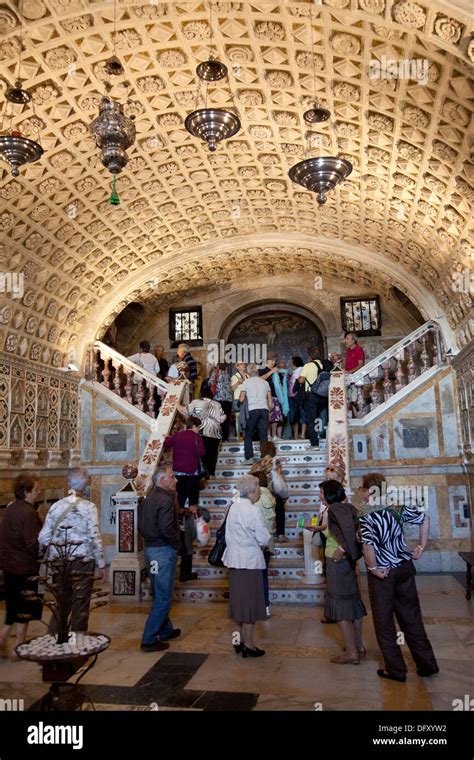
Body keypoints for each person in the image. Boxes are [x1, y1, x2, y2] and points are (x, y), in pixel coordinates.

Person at [358, 472, 439, 683]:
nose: (362, 493)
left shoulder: (366, 515)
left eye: (363, 489)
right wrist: (421, 547)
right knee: (412, 617)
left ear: (368, 492)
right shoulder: (396, 508)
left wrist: (373, 568)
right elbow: (425, 518)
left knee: (384, 623)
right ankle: (427, 664)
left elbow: (368, 547)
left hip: (384, 574)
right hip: (404, 568)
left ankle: (396, 670)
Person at [39, 468, 105, 634]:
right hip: (82, 561)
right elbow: (94, 536)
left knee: (62, 602)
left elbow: (43, 537)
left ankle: (54, 641)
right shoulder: (89, 507)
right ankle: (77, 646)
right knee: (80, 603)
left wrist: (57, 546)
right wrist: (101, 563)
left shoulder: (56, 506)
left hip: (60, 561)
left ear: (68, 483)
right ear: (86, 484)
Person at [319, 479, 367, 664]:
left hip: (337, 563)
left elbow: (348, 532)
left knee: (340, 606)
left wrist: (341, 550)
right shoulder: (347, 507)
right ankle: (358, 645)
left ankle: (351, 651)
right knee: (353, 603)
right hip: (346, 563)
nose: (320, 495)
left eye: (322, 492)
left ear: (330, 493)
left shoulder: (335, 509)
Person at [223, 475, 270, 657]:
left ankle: (238, 641)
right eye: (258, 488)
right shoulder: (253, 511)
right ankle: (249, 645)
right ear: (252, 491)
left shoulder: (233, 507)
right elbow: (264, 538)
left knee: (238, 603)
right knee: (250, 604)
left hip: (234, 560)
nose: (259, 491)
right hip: (250, 561)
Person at [138, 468, 181, 652]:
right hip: (162, 551)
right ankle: (149, 639)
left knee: (158, 592)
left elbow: (140, 524)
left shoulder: (149, 497)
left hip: (150, 550)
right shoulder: (165, 500)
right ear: (162, 480)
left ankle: (165, 630)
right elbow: (166, 527)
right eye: (172, 477)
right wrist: (176, 542)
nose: (176, 480)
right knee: (163, 597)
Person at [0, 475, 42, 657]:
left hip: (8, 565)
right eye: (35, 490)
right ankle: (20, 646)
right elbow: (32, 543)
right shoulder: (29, 513)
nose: (38, 493)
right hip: (25, 567)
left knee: (13, 604)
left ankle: (2, 637)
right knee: (25, 607)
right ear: (26, 492)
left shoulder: (9, 510)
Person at [164, 417, 205, 582]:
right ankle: (193, 515)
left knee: (178, 503)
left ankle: (179, 518)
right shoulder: (197, 437)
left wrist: (160, 435)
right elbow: (202, 452)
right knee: (193, 502)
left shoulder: (179, 435)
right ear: (194, 426)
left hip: (179, 476)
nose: (199, 430)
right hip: (193, 475)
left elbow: (166, 443)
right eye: (198, 427)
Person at [180, 388, 226, 476]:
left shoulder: (196, 402)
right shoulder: (217, 404)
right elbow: (222, 417)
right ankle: (211, 473)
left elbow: (185, 411)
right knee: (213, 453)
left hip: (203, 431)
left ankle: (204, 474)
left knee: (202, 453)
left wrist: (176, 404)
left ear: (201, 394)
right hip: (216, 432)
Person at [251, 442, 289, 543]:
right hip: (272, 494)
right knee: (280, 506)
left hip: (258, 493)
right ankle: (280, 534)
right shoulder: (276, 462)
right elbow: (281, 480)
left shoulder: (257, 463)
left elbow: (251, 477)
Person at [253, 471, 276, 617]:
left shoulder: (255, 497)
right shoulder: (271, 496)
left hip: (255, 541)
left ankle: (253, 606)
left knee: (253, 576)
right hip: (267, 542)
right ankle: (265, 605)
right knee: (263, 575)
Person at [239, 364, 272, 464]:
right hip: (264, 409)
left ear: (248, 373)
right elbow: (270, 402)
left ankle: (249, 458)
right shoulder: (265, 382)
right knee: (263, 434)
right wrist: (269, 411)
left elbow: (241, 399)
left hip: (252, 409)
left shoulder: (246, 382)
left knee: (248, 433)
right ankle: (264, 457)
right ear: (257, 371)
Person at [298, 346, 326, 450]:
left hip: (311, 395)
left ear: (310, 357)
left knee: (311, 419)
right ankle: (323, 436)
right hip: (323, 395)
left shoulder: (308, 365)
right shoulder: (324, 365)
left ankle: (314, 444)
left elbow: (301, 381)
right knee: (323, 417)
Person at [258, 353, 285, 440]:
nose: (274, 362)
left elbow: (281, 383)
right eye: (272, 360)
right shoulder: (262, 369)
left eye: (275, 360)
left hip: (275, 396)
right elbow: (260, 379)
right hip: (264, 396)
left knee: (275, 417)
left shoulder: (275, 370)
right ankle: (268, 435)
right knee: (267, 416)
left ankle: (274, 435)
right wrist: (271, 372)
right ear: (267, 360)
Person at [209, 363, 233, 442]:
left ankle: (218, 437)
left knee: (217, 419)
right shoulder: (228, 375)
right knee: (226, 419)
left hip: (218, 399)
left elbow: (210, 383)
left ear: (218, 366)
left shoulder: (216, 372)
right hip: (228, 400)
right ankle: (225, 438)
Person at [344, 332, 365, 416]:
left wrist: (350, 372)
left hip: (356, 378)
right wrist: (344, 370)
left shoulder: (359, 350)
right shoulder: (348, 351)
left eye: (347, 339)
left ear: (353, 340)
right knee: (348, 400)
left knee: (354, 400)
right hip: (348, 379)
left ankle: (359, 416)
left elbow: (361, 365)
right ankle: (354, 418)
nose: (345, 341)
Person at [288, 356, 306, 439]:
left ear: (295, 362)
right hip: (292, 397)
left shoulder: (301, 369)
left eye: (291, 362)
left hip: (298, 396)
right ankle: (295, 436)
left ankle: (302, 434)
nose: (290, 364)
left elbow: (300, 382)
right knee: (294, 417)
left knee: (302, 415)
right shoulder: (295, 371)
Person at [231, 362, 248, 438]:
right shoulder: (234, 377)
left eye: (244, 364)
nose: (243, 365)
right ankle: (239, 436)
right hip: (238, 399)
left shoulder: (247, 376)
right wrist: (238, 383)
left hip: (247, 399)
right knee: (238, 417)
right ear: (237, 367)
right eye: (241, 364)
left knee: (247, 417)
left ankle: (246, 435)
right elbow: (231, 388)